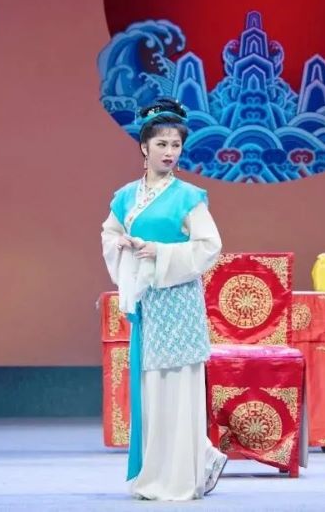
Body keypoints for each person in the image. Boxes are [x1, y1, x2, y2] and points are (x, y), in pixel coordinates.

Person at [100, 98, 228, 500]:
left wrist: (160, 252)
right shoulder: (125, 196)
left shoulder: (188, 196)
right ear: (144, 147)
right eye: (162, 144)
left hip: (178, 299)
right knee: (153, 391)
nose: (169, 152)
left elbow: (209, 246)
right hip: (148, 304)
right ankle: (186, 464)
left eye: (175, 145)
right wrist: (122, 245)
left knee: (178, 388)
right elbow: (110, 234)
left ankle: (184, 475)